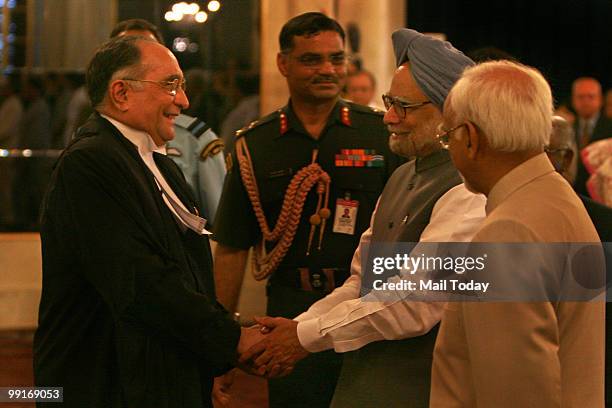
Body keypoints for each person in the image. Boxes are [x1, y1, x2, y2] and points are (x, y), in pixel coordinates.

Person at [241, 29, 485, 408]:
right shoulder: (405, 174)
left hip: (422, 388)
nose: (389, 117)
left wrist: (305, 337)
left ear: (448, 111)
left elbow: (414, 302)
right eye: (390, 102)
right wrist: (300, 326)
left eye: (403, 106)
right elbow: (363, 280)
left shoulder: (468, 189)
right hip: (366, 379)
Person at [33, 36, 264, 408]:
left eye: (182, 85)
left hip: (155, 373)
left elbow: (186, 272)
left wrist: (217, 342)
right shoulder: (90, 162)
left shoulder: (157, 162)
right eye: (170, 84)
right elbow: (139, 280)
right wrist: (229, 339)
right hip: (105, 383)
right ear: (121, 93)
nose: (184, 101)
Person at [213, 12, 401, 408]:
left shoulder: (380, 134)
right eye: (312, 60)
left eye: (336, 59)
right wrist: (218, 342)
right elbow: (231, 249)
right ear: (283, 64)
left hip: (365, 307)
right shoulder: (257, 145)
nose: (328, 70)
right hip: (289, 311)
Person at [431, 60, 604, 407]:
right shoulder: (557, 199)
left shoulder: (506, 234)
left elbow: (517, 392)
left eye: (447, 136)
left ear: (471, 138)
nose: (448, 147)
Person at [111, 18, 226, 223]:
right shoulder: (95, 138)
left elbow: (221, 222)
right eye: (127, 54)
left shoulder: (195, 138)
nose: (183, 101)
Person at [571, 77, 612, 196]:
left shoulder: (610, 128)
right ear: (573, 100)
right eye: (581, 97)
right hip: (575, 194)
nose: (585, 101)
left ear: (600, 100)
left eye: (591, 96)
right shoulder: (568, 128)